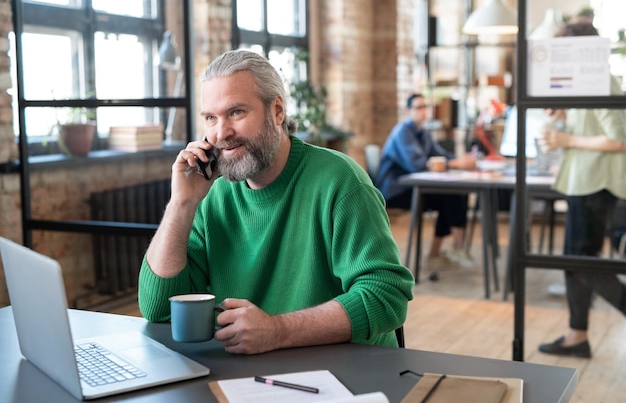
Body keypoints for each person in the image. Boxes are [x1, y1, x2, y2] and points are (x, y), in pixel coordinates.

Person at [138, 50, 414, 355]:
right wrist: (182, 202)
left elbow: (386, 295)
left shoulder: (340, 181)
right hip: (249, 372)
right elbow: (159, 308)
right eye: (210, 118)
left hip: (343, 372)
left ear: (277, 111)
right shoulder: (211, 195)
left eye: (237, 112)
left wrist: (277, 330)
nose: (221, 133)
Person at [537, 21, 626, 358]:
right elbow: (589, 126)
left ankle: (578, 334)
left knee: (583, 263)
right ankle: (577, 335)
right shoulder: (586, 82)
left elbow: (619, 139)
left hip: (596, 185)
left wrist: (566, 138)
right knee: (576, 263)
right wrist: (562, 118)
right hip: (583, 182)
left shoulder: (602, 81)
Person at [374, 93, 477, 267]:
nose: (424, 111)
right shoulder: (403, 131)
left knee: (454, 193)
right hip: (396, 190)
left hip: (412, 188)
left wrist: (460, 159)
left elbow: (440, 155)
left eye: (426, 107)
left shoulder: (423, 132)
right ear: (408, 111)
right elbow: (417, 164)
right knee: (448, 195)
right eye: (418, 107)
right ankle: (456, 247)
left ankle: (438, 253)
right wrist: (455, 163)